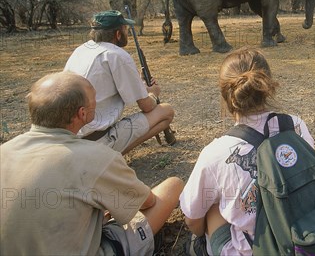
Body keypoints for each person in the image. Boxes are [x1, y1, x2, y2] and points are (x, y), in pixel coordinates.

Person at [0, 71, 184, 255]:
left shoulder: (5, 151)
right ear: (82, 113)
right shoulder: (96, 157)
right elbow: (146, 202)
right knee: (173, 186)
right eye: (94, 99)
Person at [179, 48, 315, 255]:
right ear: (268, 86)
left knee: (212, 206)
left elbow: (192, 218)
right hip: (303, 240)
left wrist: (202, 234)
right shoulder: (296, 125)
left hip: (255, 249)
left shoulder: (216, 153)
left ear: (226, 97)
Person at [65, 10, 175, 154]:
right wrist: (153, 93)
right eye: (125, 29)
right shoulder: (117, 55)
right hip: (96, 140)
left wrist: (139, 83)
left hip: (69, 139)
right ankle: (112, 155)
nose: (127, 33)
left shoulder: (80, 50)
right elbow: (147, 106)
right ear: (118, 34)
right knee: (166, 111)